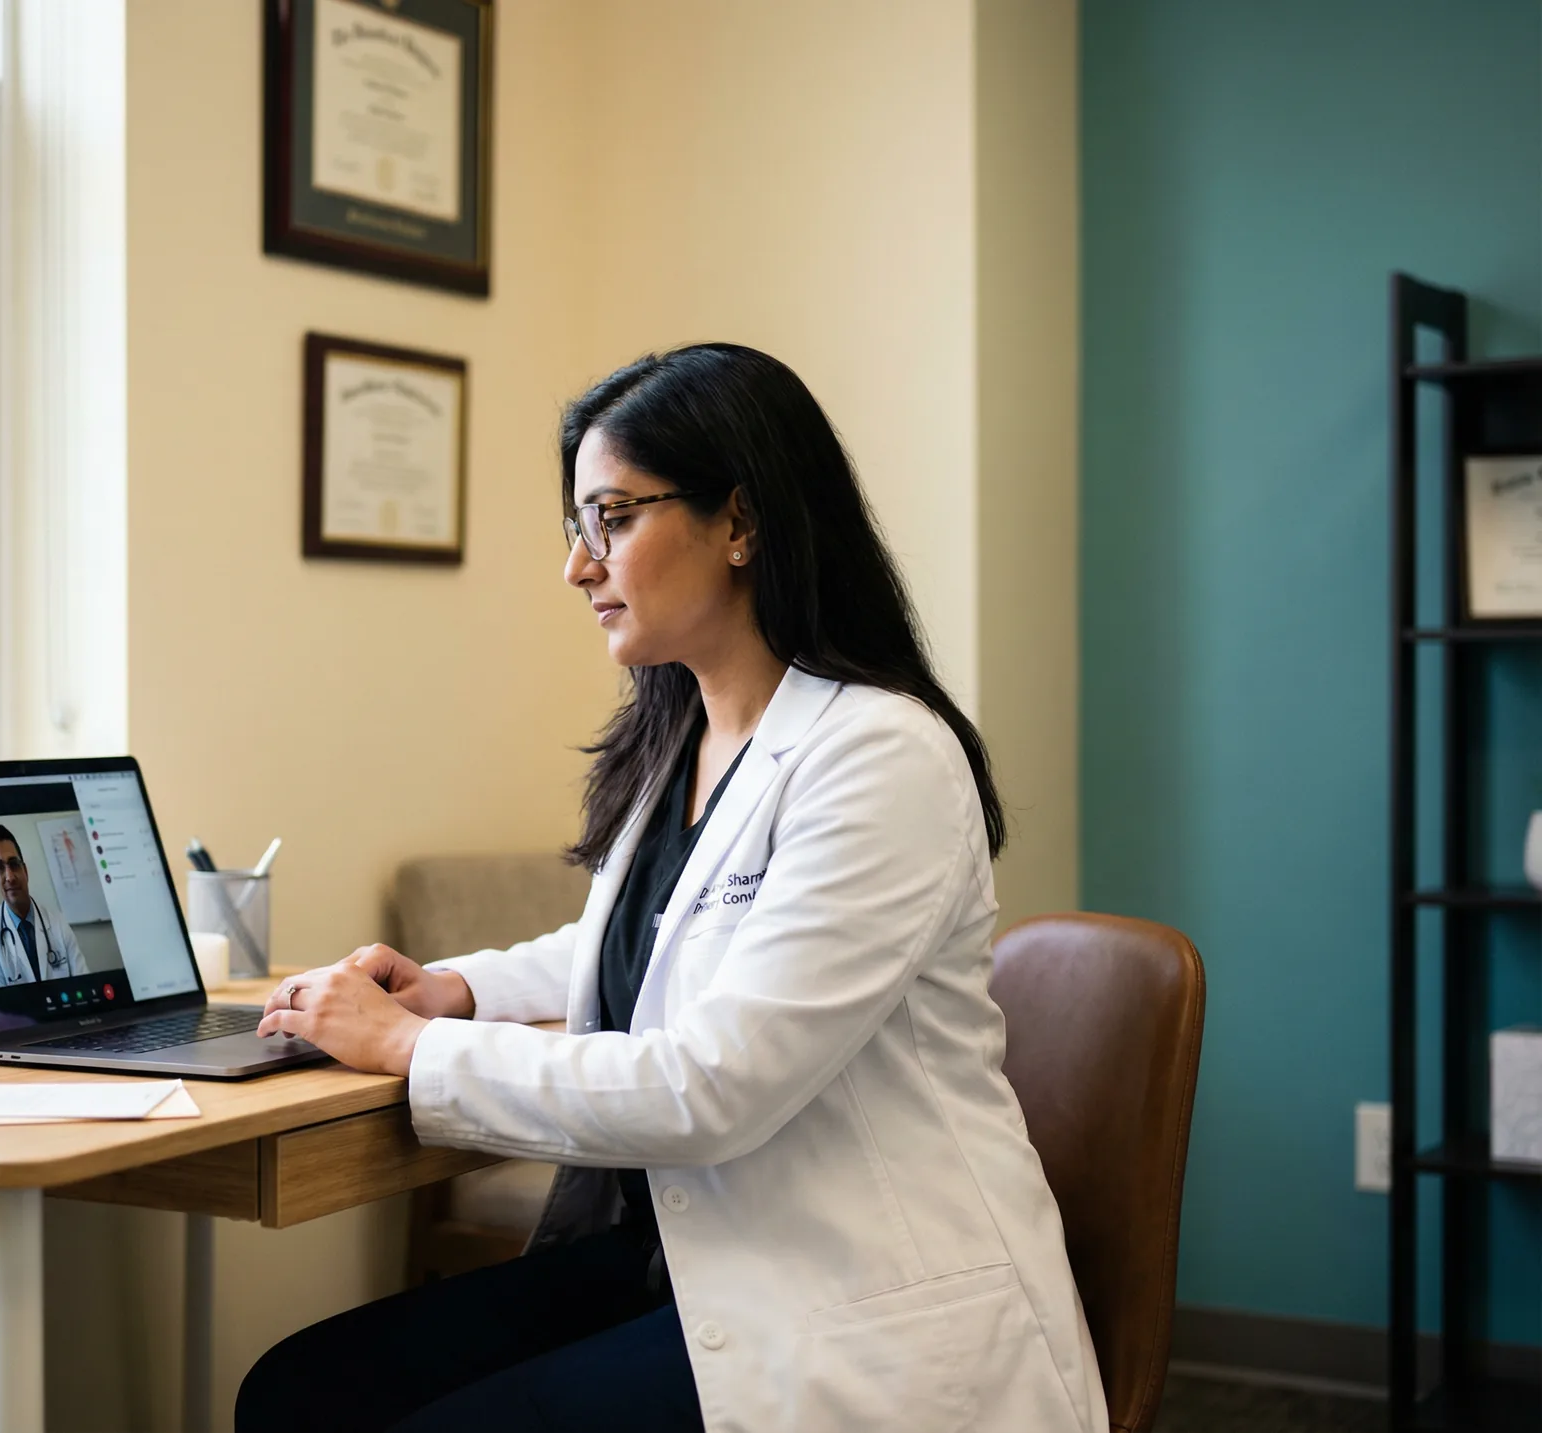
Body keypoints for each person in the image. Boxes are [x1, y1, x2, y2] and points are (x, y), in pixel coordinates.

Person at [234, 345, 1108, 1433]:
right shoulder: (683, 735)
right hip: (689, 1259)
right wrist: (447, 990)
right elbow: (649, 942)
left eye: (611, 518)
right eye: (574, 527)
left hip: (849, 1298)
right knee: (296, 1392)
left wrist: (408, 1049)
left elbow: (713, 1084)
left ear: (739, 522)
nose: (577, 565)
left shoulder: (880, 755)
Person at [0, 823, 88, 987]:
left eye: (14, 864)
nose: (9, 876)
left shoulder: (58, 922)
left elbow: (84, 982)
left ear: (25, 871)